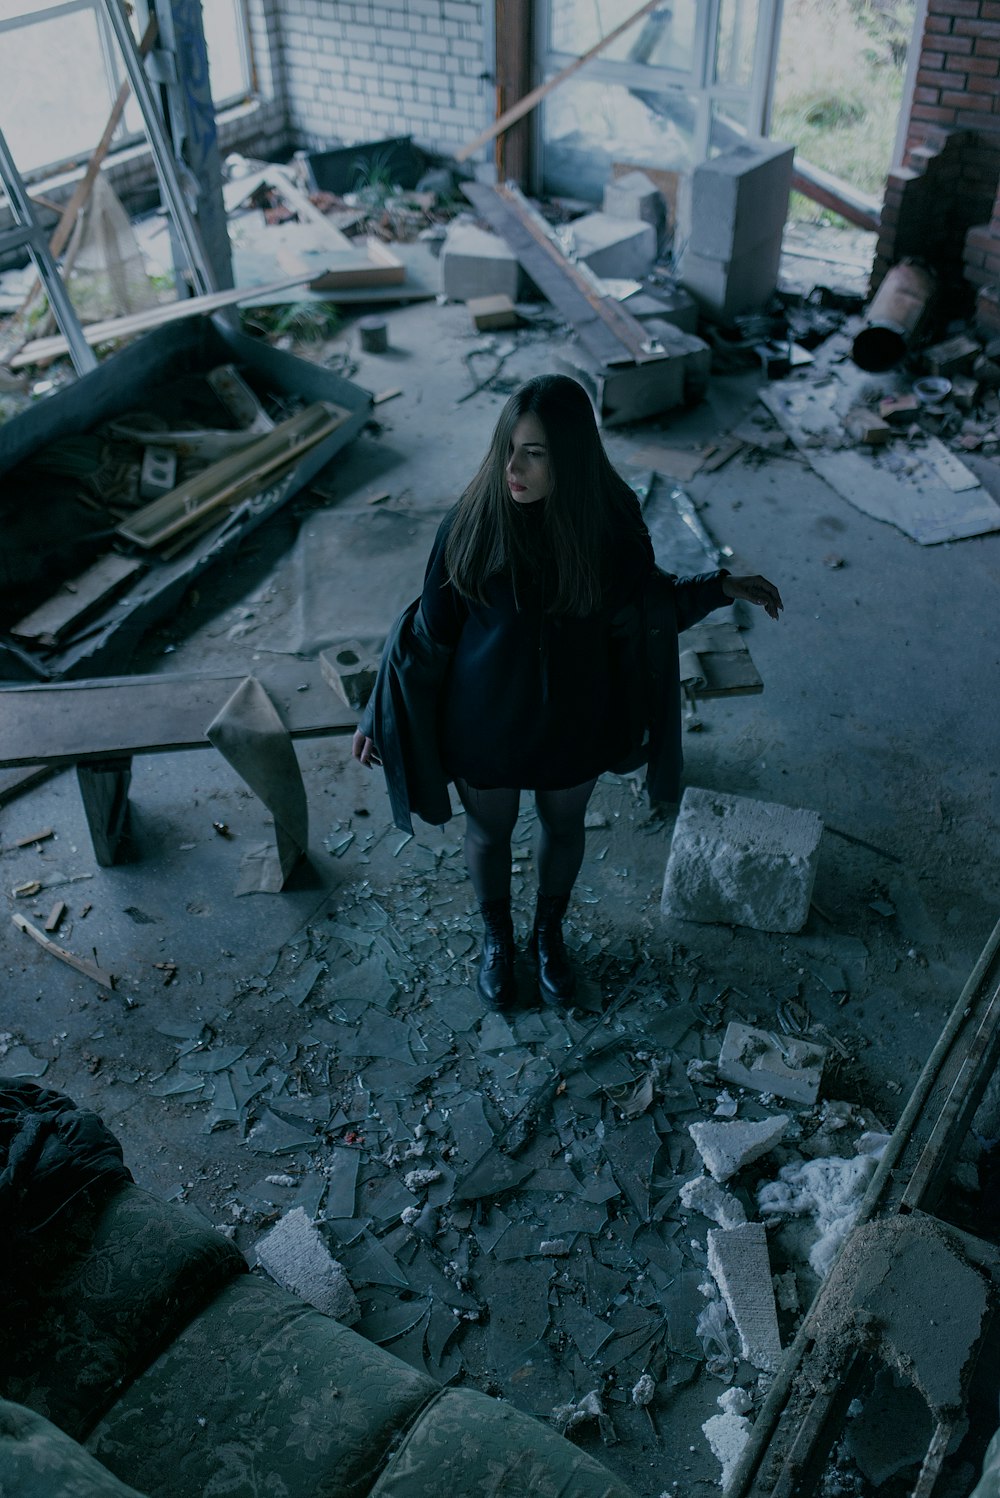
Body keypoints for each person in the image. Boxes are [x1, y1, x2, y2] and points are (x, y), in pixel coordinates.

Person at [353, 374, 782, 1012]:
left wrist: (720, 587)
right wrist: (377, 709)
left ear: (572, 456)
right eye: (508, 447)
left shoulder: (611, 524)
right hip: (484, 722)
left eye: (535, 452)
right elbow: (426, 634)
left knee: (563, 824)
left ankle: (548, 933)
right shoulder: (469, 523)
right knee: (488, 833)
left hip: (578, 718)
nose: (512, 468)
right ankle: (499, 939)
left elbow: (648, 606)